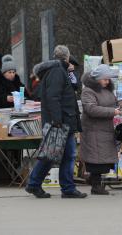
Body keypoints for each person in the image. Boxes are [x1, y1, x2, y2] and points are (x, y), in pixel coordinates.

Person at [26, 45, 87, 199]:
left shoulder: (59, 70)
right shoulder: (57, 72)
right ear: (67, 57)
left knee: (58, 154)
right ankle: (63, 188)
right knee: (57, 154)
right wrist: (57, 120)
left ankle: (43, 185)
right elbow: (53, 97)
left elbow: (73, 88)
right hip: (62, 121)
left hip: (63, 120)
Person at [80, 64, 122, 195]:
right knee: (96, 160)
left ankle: (95, 182)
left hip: (105, 129)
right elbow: (91, 109)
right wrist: (112, 111)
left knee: (102, 160)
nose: (107, 81)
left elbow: (111, 103)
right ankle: (96, 185)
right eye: (104, 79)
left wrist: (120, 106)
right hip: (93, 130)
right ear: (97, 79)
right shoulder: (88, 91)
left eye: (108, 79)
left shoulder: (107, 90)